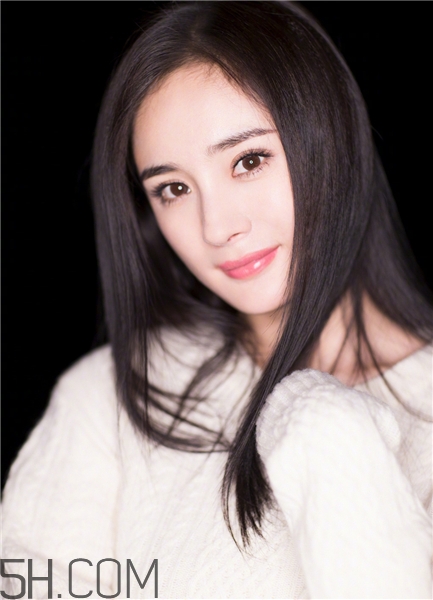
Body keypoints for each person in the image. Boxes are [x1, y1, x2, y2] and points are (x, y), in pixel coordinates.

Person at [2, 2, 432, 598]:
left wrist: (329, 438)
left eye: (248, 161)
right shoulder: (114, 394)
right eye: (174, 188)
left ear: (331, 142)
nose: (217, 226)